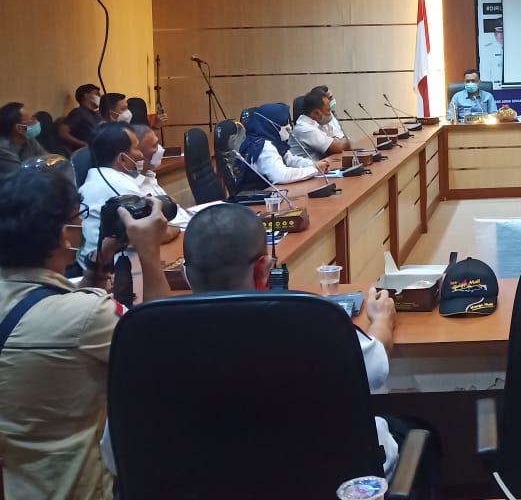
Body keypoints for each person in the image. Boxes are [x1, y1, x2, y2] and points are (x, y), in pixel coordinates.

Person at [97, 202, 403, 480]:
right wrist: (380, 321)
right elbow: (375, 368)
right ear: (264, 268)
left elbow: (116, 457)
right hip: (320, 484)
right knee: (405, 428)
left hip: (194, 488)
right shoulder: (310, 321)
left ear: (187, 275)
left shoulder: (145, 345)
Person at [0, 168, 170, 500]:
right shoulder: (89, 316)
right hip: (74, 487)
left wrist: (101, 260)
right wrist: (149, 254)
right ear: (64, 235)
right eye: (79, 218)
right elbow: (162, 346)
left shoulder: (60, 309)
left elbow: (52, 307)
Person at [78, 124, 181, 272]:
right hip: (110, 273)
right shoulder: (119, 186)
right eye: (137, 148)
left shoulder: (97, 177)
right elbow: (160, 233)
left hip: (103, 263)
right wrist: (176, 228)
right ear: (122, 158)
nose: (141, 155)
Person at [240, 102, 328, 185]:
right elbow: (281, 176)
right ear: (272, 124)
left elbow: (291, 160)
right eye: (284, 123)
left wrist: (314, 164)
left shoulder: (275, 141)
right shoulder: (263, 146)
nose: (289, 126)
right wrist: (314, 170)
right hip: (259, 194)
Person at [289, 89, 352, 159]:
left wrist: (341, 142)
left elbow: (337, 141)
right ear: (316, 113)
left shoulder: (318, 123)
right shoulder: (304, 129)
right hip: (308, 165)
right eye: (328, 110)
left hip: (321, 163)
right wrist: (346, 141)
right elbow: (337, 147)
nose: (330, 114)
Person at [0, 103, 47, 179]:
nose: (36, 122)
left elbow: (48, 159)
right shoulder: (3, 149)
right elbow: (21, 177)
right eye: (30, 120)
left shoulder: (29, 139)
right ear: (19, 128)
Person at [58, 84, 101, 150]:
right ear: (86, 95)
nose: (100, 97)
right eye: (97, 94)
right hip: (85, 152)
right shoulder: (79, 112)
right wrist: (85, 145)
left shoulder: (96, 115)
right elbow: (62, 132)